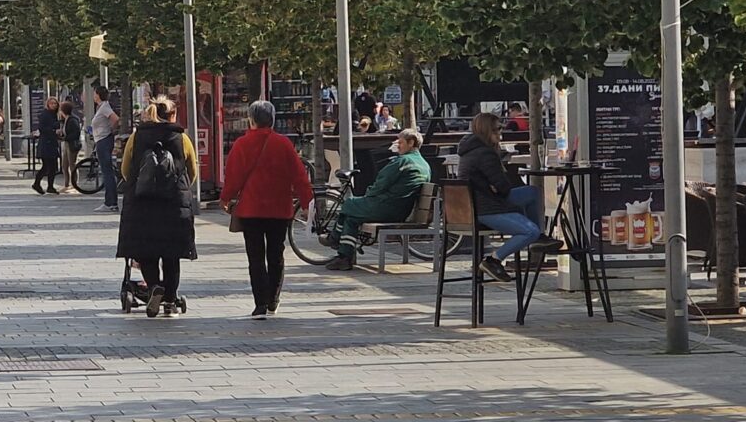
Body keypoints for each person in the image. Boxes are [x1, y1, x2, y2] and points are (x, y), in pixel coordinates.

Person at [220, 100, 313, 319]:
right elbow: (299, 175)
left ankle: (259, 304)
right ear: (272, 119)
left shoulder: (242, 145)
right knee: (276, 254)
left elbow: (233, 177)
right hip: (279, 209)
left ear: (251, 119)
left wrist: (225, 198)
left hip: (250, 209)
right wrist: (307, 202)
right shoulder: (283, 144)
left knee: (255, 257)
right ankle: (273, 300)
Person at [117, 96, 198, 318]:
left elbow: (125, 170)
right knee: (171, 255)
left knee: (146, 252)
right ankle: (170, 301)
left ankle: (154, 287)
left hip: (142, 204)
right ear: (173, 115)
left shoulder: (136, 137)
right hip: (173, 205)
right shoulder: (182, 138)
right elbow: (192, 172)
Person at [458, 113, 563, 282]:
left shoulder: (470, 150)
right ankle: (494, 259)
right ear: (487, 130)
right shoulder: (485, 154)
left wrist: (496, 188)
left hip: (480, 202)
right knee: (530, 230)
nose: (501, 132)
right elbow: (504, 187)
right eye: (498, 128)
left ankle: (538, 239)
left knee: (532, 192)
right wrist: (498, 186)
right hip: (487, 208)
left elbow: (499, 187)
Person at [323, 129, 432, 271]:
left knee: (349, 203)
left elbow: (381, 182)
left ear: (411, 143)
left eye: (401, 142)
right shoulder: (425, 165)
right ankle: (344, 256)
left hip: (387, 207)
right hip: (402, 208)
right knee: (351, 218)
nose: (398, 145)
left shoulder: (403, 161)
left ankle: (335, 237)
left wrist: (369, 194)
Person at [91, 85, 121, 213]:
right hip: (101, 140)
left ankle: (111, 202)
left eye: (94, 93)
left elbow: (115, 119)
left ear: (97, 95)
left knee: (107, 172)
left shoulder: (105, 107)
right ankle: (110, 201)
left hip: (104, 140)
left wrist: (111, 130)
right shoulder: (101, 107)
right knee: (106, 171)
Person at [33, 97, 62, 194]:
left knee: (52, 167)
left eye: (55, 103)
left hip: (52, 143)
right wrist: (54, 131)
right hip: (46, 144)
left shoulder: (55, 115)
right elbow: (42, 128)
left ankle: (50, 186)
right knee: (46, 166)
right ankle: (37, 183)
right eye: (52, 103)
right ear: (48, 104)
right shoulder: (45, 114)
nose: (54, 105)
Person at [60, 101, 83, 194]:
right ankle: (66, 184)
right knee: (65, 165)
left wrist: (65, 137)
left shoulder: (73, 119)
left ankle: (75, 184)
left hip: (72, 144)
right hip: (67, 144)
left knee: (72, 164)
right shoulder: (66, 119)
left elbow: (75, 133)